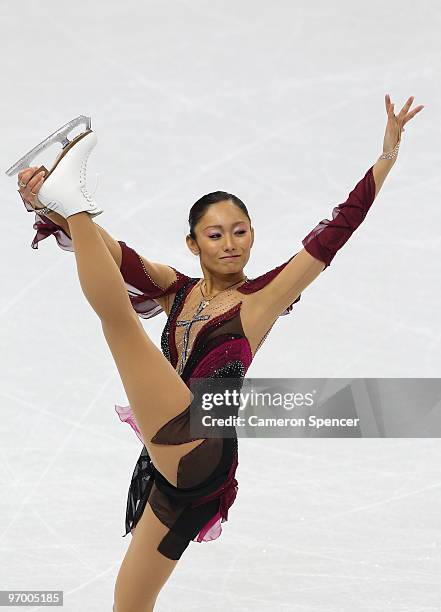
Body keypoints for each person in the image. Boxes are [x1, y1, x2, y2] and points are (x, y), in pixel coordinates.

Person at [14, 94, 423, 611]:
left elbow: (335, 232)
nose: (230, 243)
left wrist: (385, 158)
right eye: (215, 234)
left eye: (240, 232)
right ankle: (68, 196)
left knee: (118, 323)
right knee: (129, 600)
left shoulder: (261, 301)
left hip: (199, 445)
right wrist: (46, 206)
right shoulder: (177, 290)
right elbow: (110, 253)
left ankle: (74, 195)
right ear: (193, 244)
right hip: (178, 474)